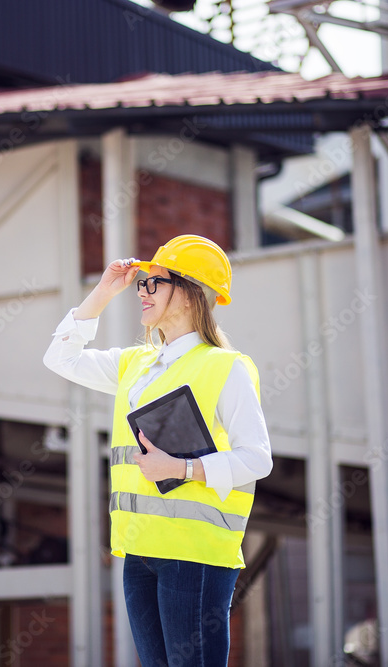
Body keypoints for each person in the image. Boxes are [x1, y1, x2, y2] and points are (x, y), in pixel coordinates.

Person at [43, 234, 273, 667]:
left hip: (196, 554)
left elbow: (258, 459)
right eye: (141, 284)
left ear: (189, 294)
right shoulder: (137, 364)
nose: (143, 292)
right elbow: (60, 358)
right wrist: (102, 293)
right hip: (139, 550)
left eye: (155, 283)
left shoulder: (226, 367)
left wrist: (182, 469)